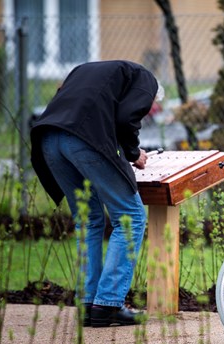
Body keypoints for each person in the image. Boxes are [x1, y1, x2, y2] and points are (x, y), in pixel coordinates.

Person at [30, 60, 162, 328]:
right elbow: (126, 118)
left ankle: (89, 304)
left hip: (49, 140)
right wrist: (134, 153)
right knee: (130, 216)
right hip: (82, 140)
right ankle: (109, 304)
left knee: (88, 220)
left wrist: (123, 152)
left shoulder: (83, 70)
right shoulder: (147, 79)